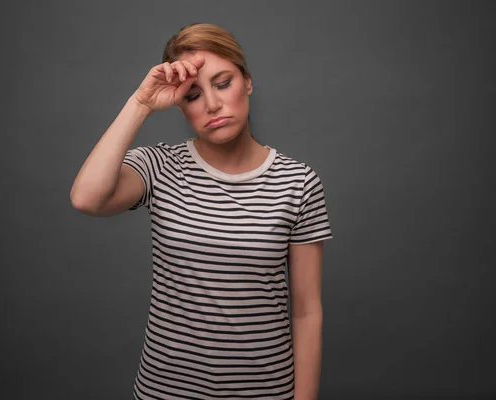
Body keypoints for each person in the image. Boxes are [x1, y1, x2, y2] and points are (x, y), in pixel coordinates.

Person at [70, 23, 333, 400]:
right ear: (178, 103)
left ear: (248, 83)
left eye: (223, 83)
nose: (211, 104)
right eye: (192, 95)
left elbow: (307, 311)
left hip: (263, 392)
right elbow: (86, 198)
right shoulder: (160, 167)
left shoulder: (298, 182)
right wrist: (141, 104)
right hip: (165, 391)